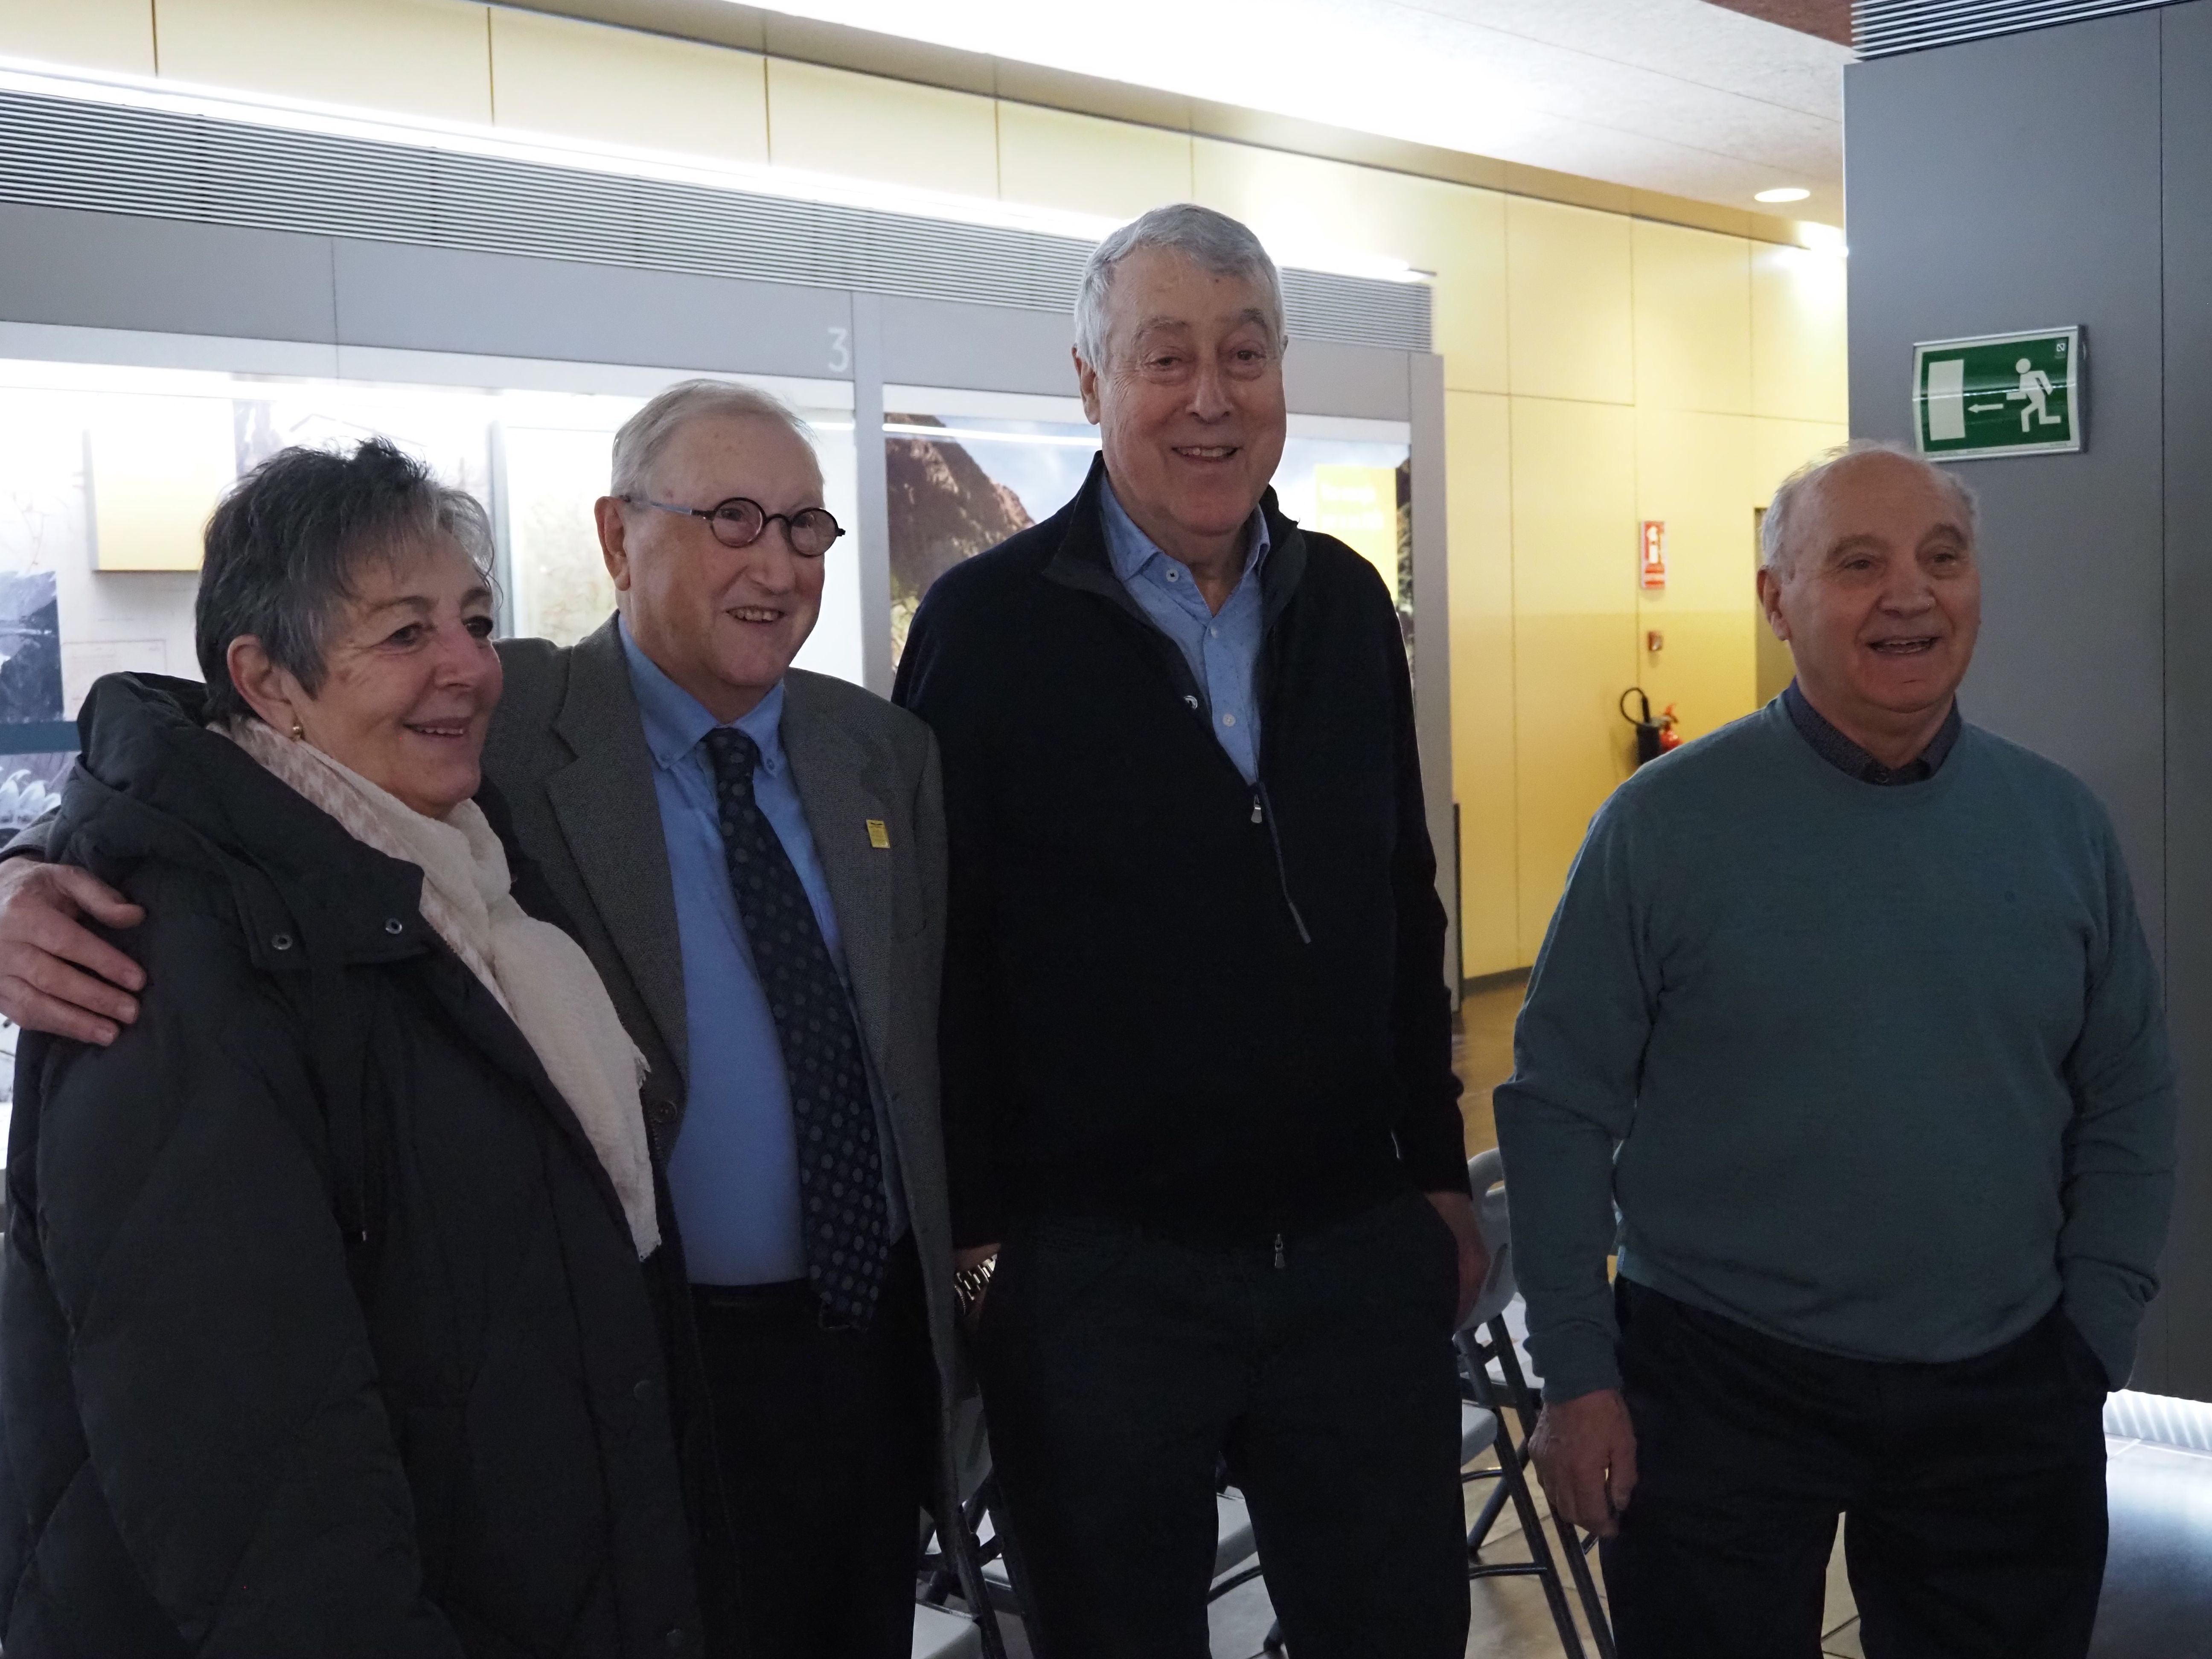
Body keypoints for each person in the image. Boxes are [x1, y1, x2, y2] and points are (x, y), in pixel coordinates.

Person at [0, 383, 967, 1659]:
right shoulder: (501, 732)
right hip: (651, 1380)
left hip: (834, 1359)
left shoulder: (878, 750)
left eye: (805, 527)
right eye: (733, 518)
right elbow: (191, 771)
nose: (776, 564)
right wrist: (25, 873)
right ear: (620, 540)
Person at [893, 202, 1485, 1659]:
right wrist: (984, 1259)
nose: (1212, 398)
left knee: (1400, 1630)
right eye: (1167, 358)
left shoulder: (1346, 605)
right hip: (1105, 1285)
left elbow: (1400, 892)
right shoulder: (984, 630)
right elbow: (937, 962)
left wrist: (1432, 1172)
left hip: (1351, 1253)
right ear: (1091, 383)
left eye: (1246, 352)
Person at [0, 439, 702, 1654]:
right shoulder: (167, 962)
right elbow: (250, 1465)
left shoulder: (455, 872)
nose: (469, 669)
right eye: (403, 633)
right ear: (268, 683)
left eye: (476, 621)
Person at [1498, 440, 2175, 1659]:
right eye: (1857, 564)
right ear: (1776, 598)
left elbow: (2128, 1089)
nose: (1910, 595)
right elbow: (1557, 1105)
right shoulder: (1662, 827)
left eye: (1943, 559)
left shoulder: (2059, 825)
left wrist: (2097, 1327)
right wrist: (1577, 1376)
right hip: (1717, 1383)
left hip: (2007, 1379)